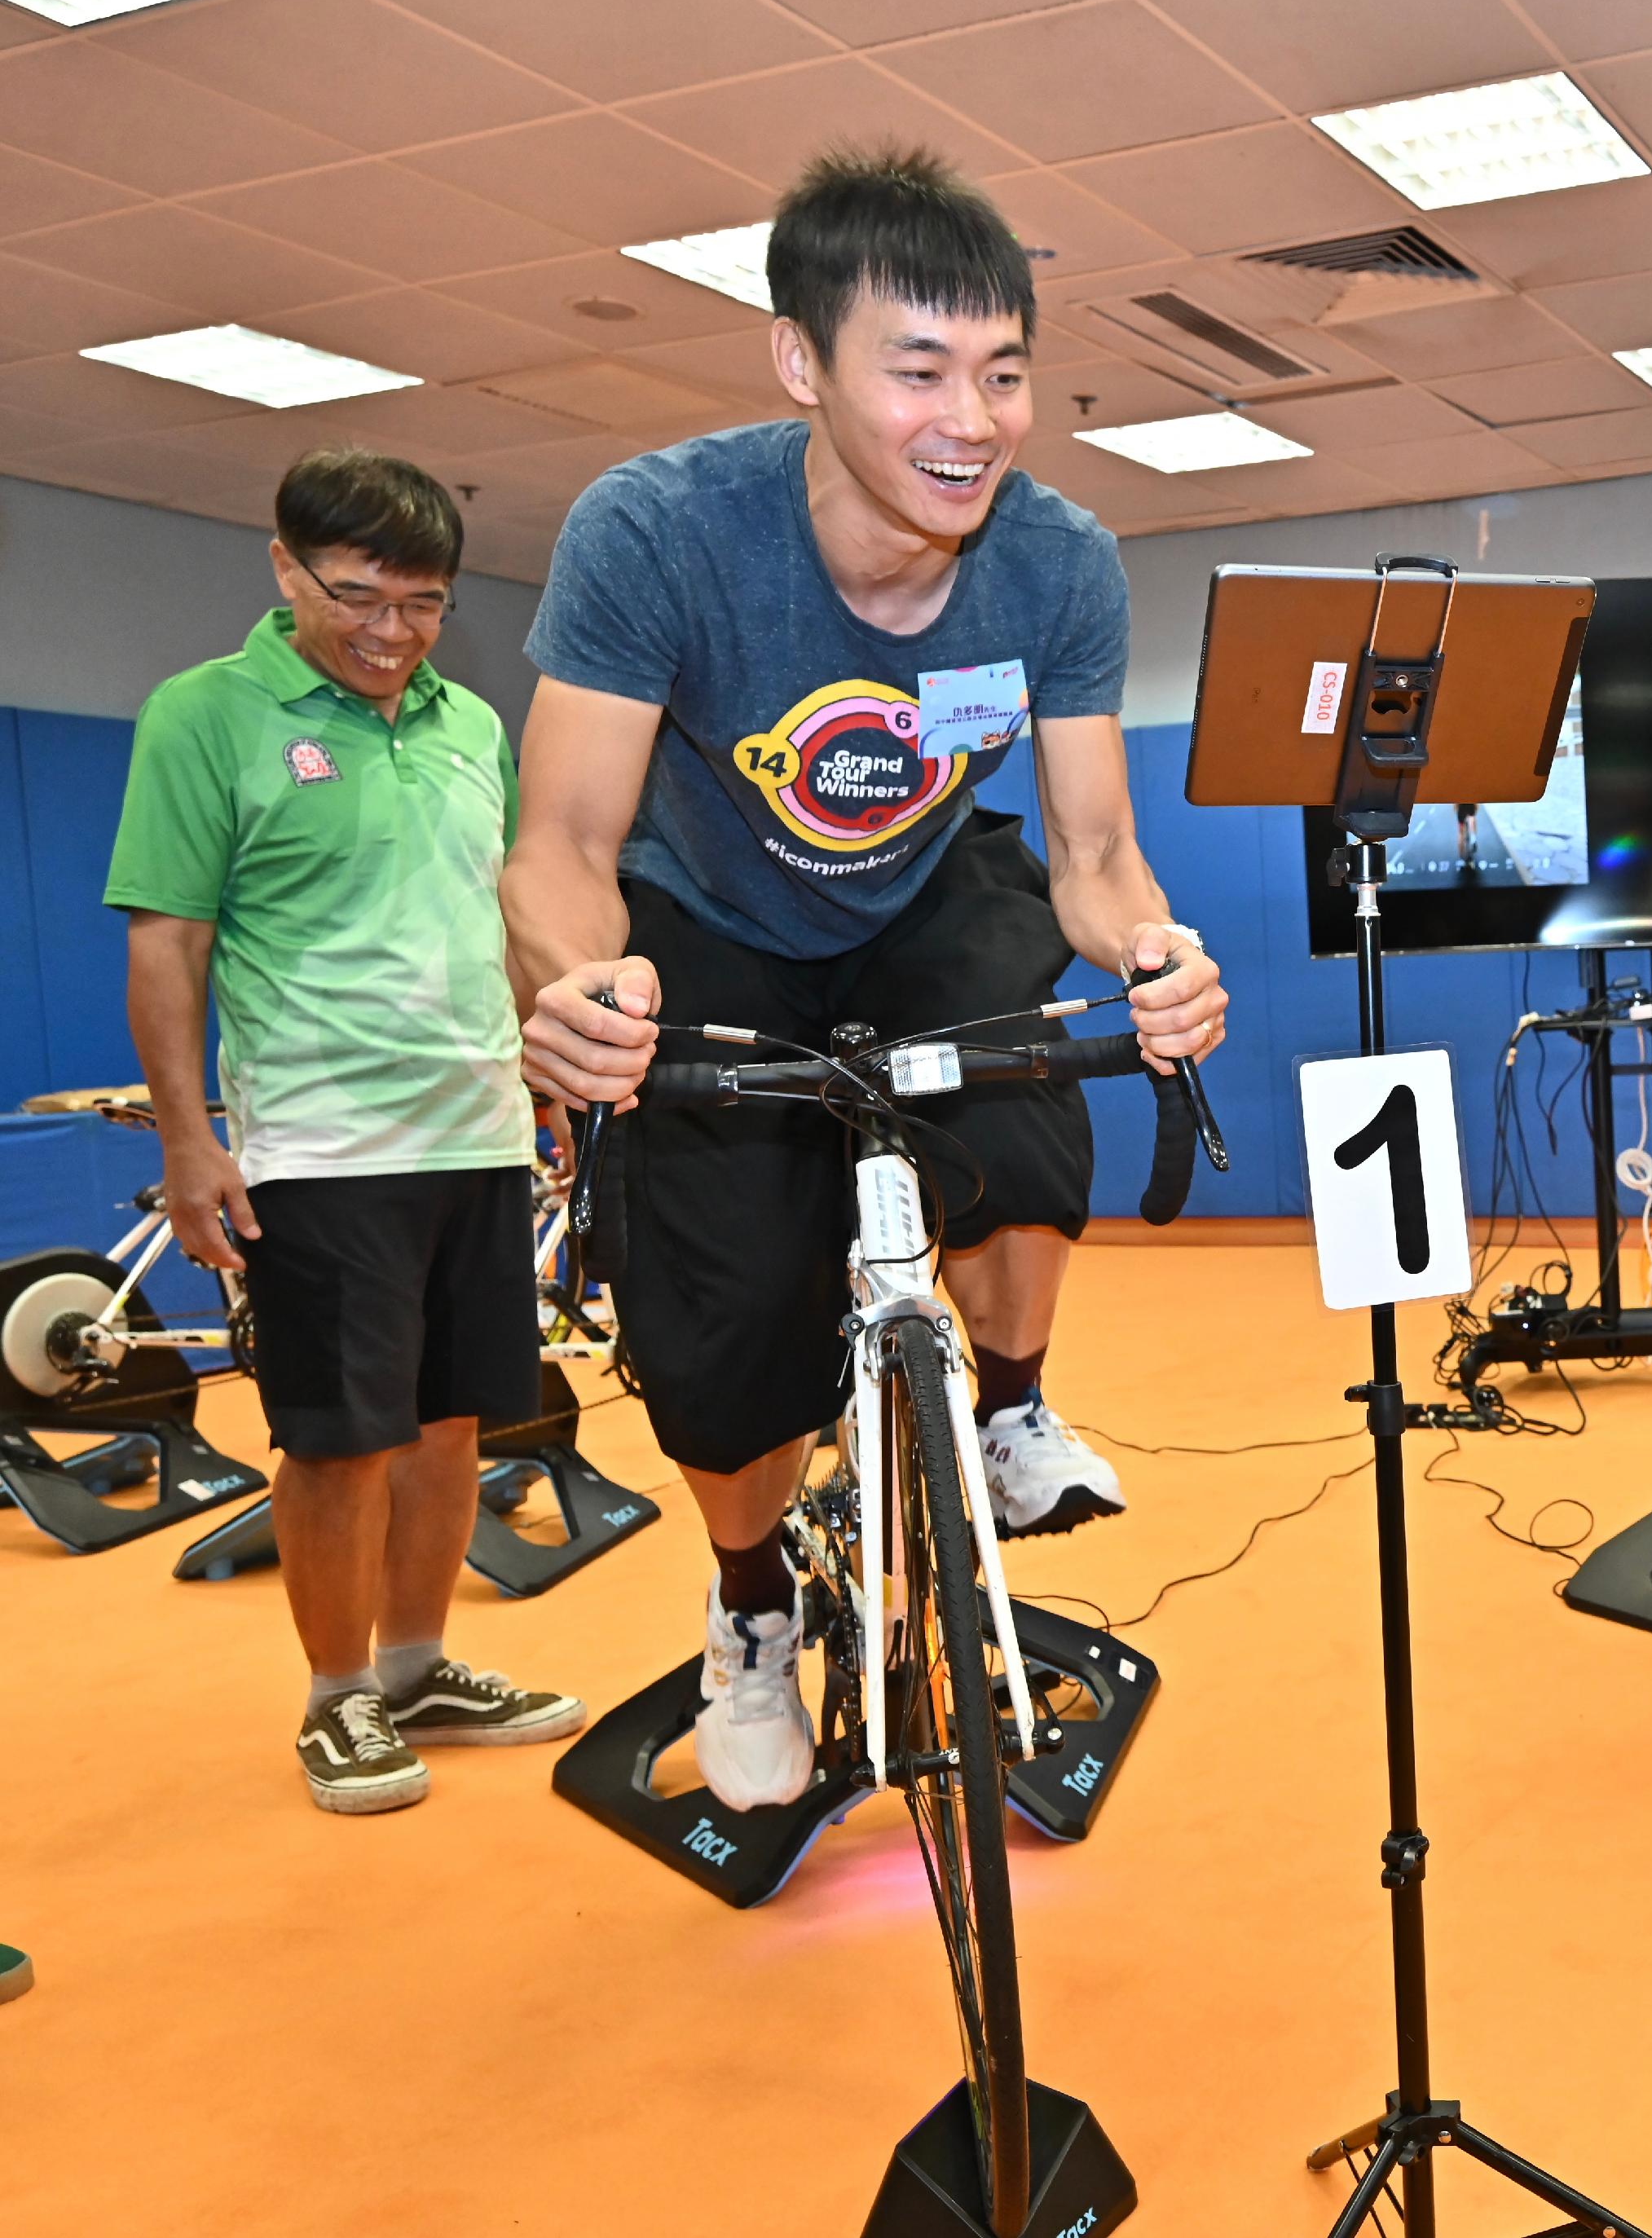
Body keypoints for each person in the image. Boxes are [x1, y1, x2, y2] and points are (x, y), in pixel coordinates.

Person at [504, 147, 1227, 1810]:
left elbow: (1095, 856)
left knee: (1030, 1082)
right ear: (800, 363)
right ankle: (752, 1604)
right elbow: (557, 839)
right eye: (917, 369)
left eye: (1003, 372)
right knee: (734, 1311)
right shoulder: (660, 531)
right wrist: (578, 982)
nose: (968, 418)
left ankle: (1011, 1407)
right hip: (702, 914)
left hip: (920, 893)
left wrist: (1156, 954)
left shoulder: (1057, 562)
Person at [105, 447, 583, 1815]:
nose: (391, 631)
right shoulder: (207, 715)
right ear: (285, 568)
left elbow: (493, 919)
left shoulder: (471, 726)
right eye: (360, 595)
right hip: (318, 1147)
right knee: (336, 1437)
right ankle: (336, 1695)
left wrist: (537, 1079)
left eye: (422, 603)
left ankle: (421, 1664)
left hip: (476, 1133)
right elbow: (168, 945)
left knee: (448, 1428)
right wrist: (191, 1141)